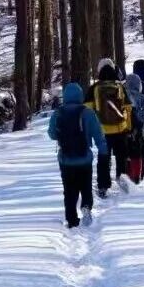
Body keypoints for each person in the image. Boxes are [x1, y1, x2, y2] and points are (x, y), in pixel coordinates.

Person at [48, 82, 107, 229]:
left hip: (65, 160)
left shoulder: (58, 113)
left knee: (69, 190)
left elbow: (52, 134)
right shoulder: (87, 113)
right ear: (80, 96)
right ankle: (86, 207)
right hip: (84, 159)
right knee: (86, 186)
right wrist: (103, 150)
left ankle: (71, 219)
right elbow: (98, 134)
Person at [85, 57, 132, 198]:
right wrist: (128, 127)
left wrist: (91, 130)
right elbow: (128, 108)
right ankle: (122, 181)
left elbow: (88, 110)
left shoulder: (94, 88)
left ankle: (103, 186)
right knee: (121, 156)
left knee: (103, 158)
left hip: (102, 130)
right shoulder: (120, 86)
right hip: (120, 128)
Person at [124, 74, 144, 184]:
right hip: (139, 129)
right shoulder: (142, 98)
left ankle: (128, 176)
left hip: (125, 129)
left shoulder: (122, 96)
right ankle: (139, 176)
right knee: (140, 152)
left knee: (127, 153)